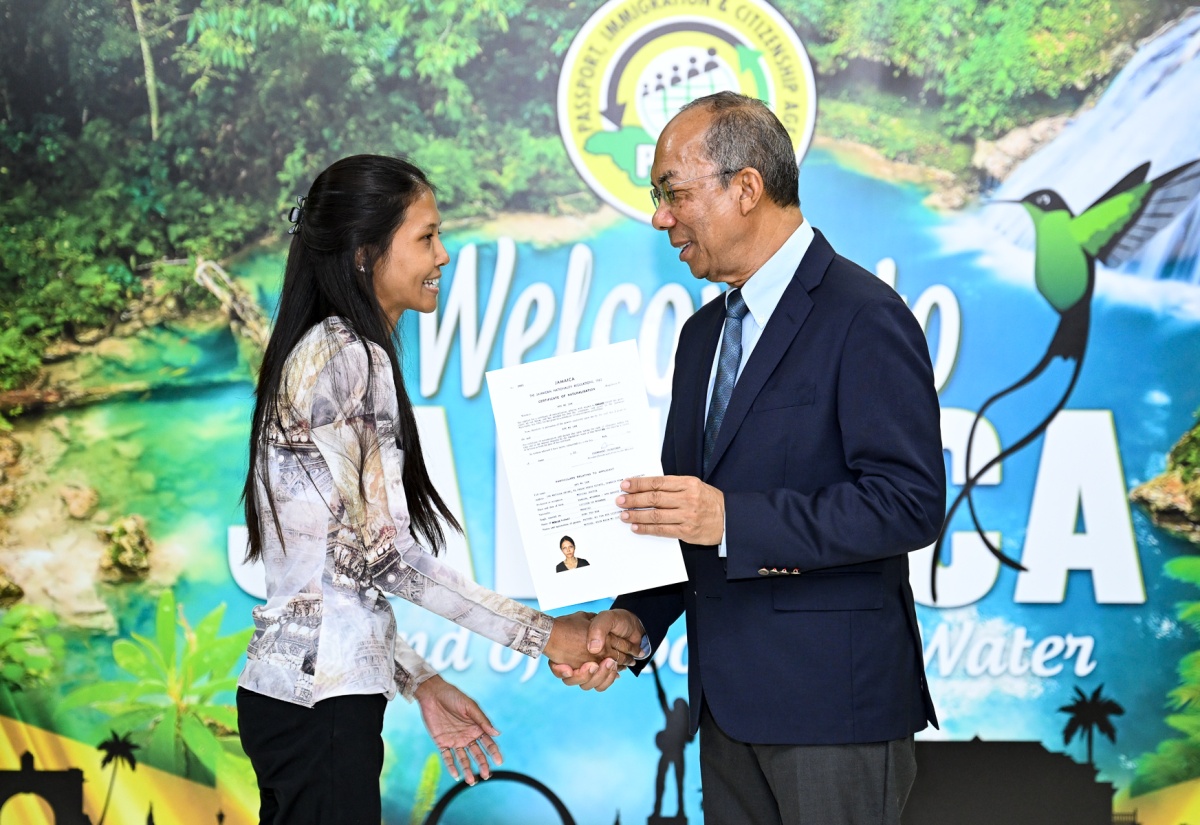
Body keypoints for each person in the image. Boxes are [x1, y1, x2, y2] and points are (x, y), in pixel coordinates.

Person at [553, 93, 945, 824]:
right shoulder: (702, 335)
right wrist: (636, 618)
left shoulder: (865, 314)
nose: (660, 216)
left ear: (746, 188)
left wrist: (734, 518)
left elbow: (908, 501)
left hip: (835, 711)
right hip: (726, 713)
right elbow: (686, 518)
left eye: (672, 192)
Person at [235, 154, 642, 825]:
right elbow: (387, 560)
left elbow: (328, 579)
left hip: (285, 698)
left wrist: (417, 678)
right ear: (367, 254)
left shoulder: (313, 349)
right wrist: (546, 634)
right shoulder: (354, 358)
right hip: (324, 710)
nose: (443, 255)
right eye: (425, 237)